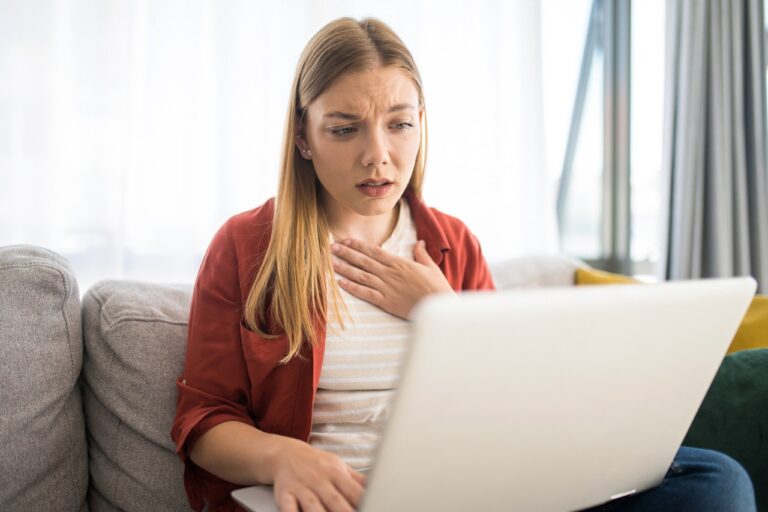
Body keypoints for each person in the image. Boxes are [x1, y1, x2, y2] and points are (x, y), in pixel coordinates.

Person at [172, 17, 757, 512]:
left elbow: (508, 406)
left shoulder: (452, 244)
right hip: (342, 500)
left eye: (400, 124)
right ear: (303, 136)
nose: (378, 154)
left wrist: (442, 313)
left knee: (717, 481)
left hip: (466, 494)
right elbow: (202, 420)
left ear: (422, 122)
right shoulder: (247, 247)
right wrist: (283, 457)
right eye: (345, 129)